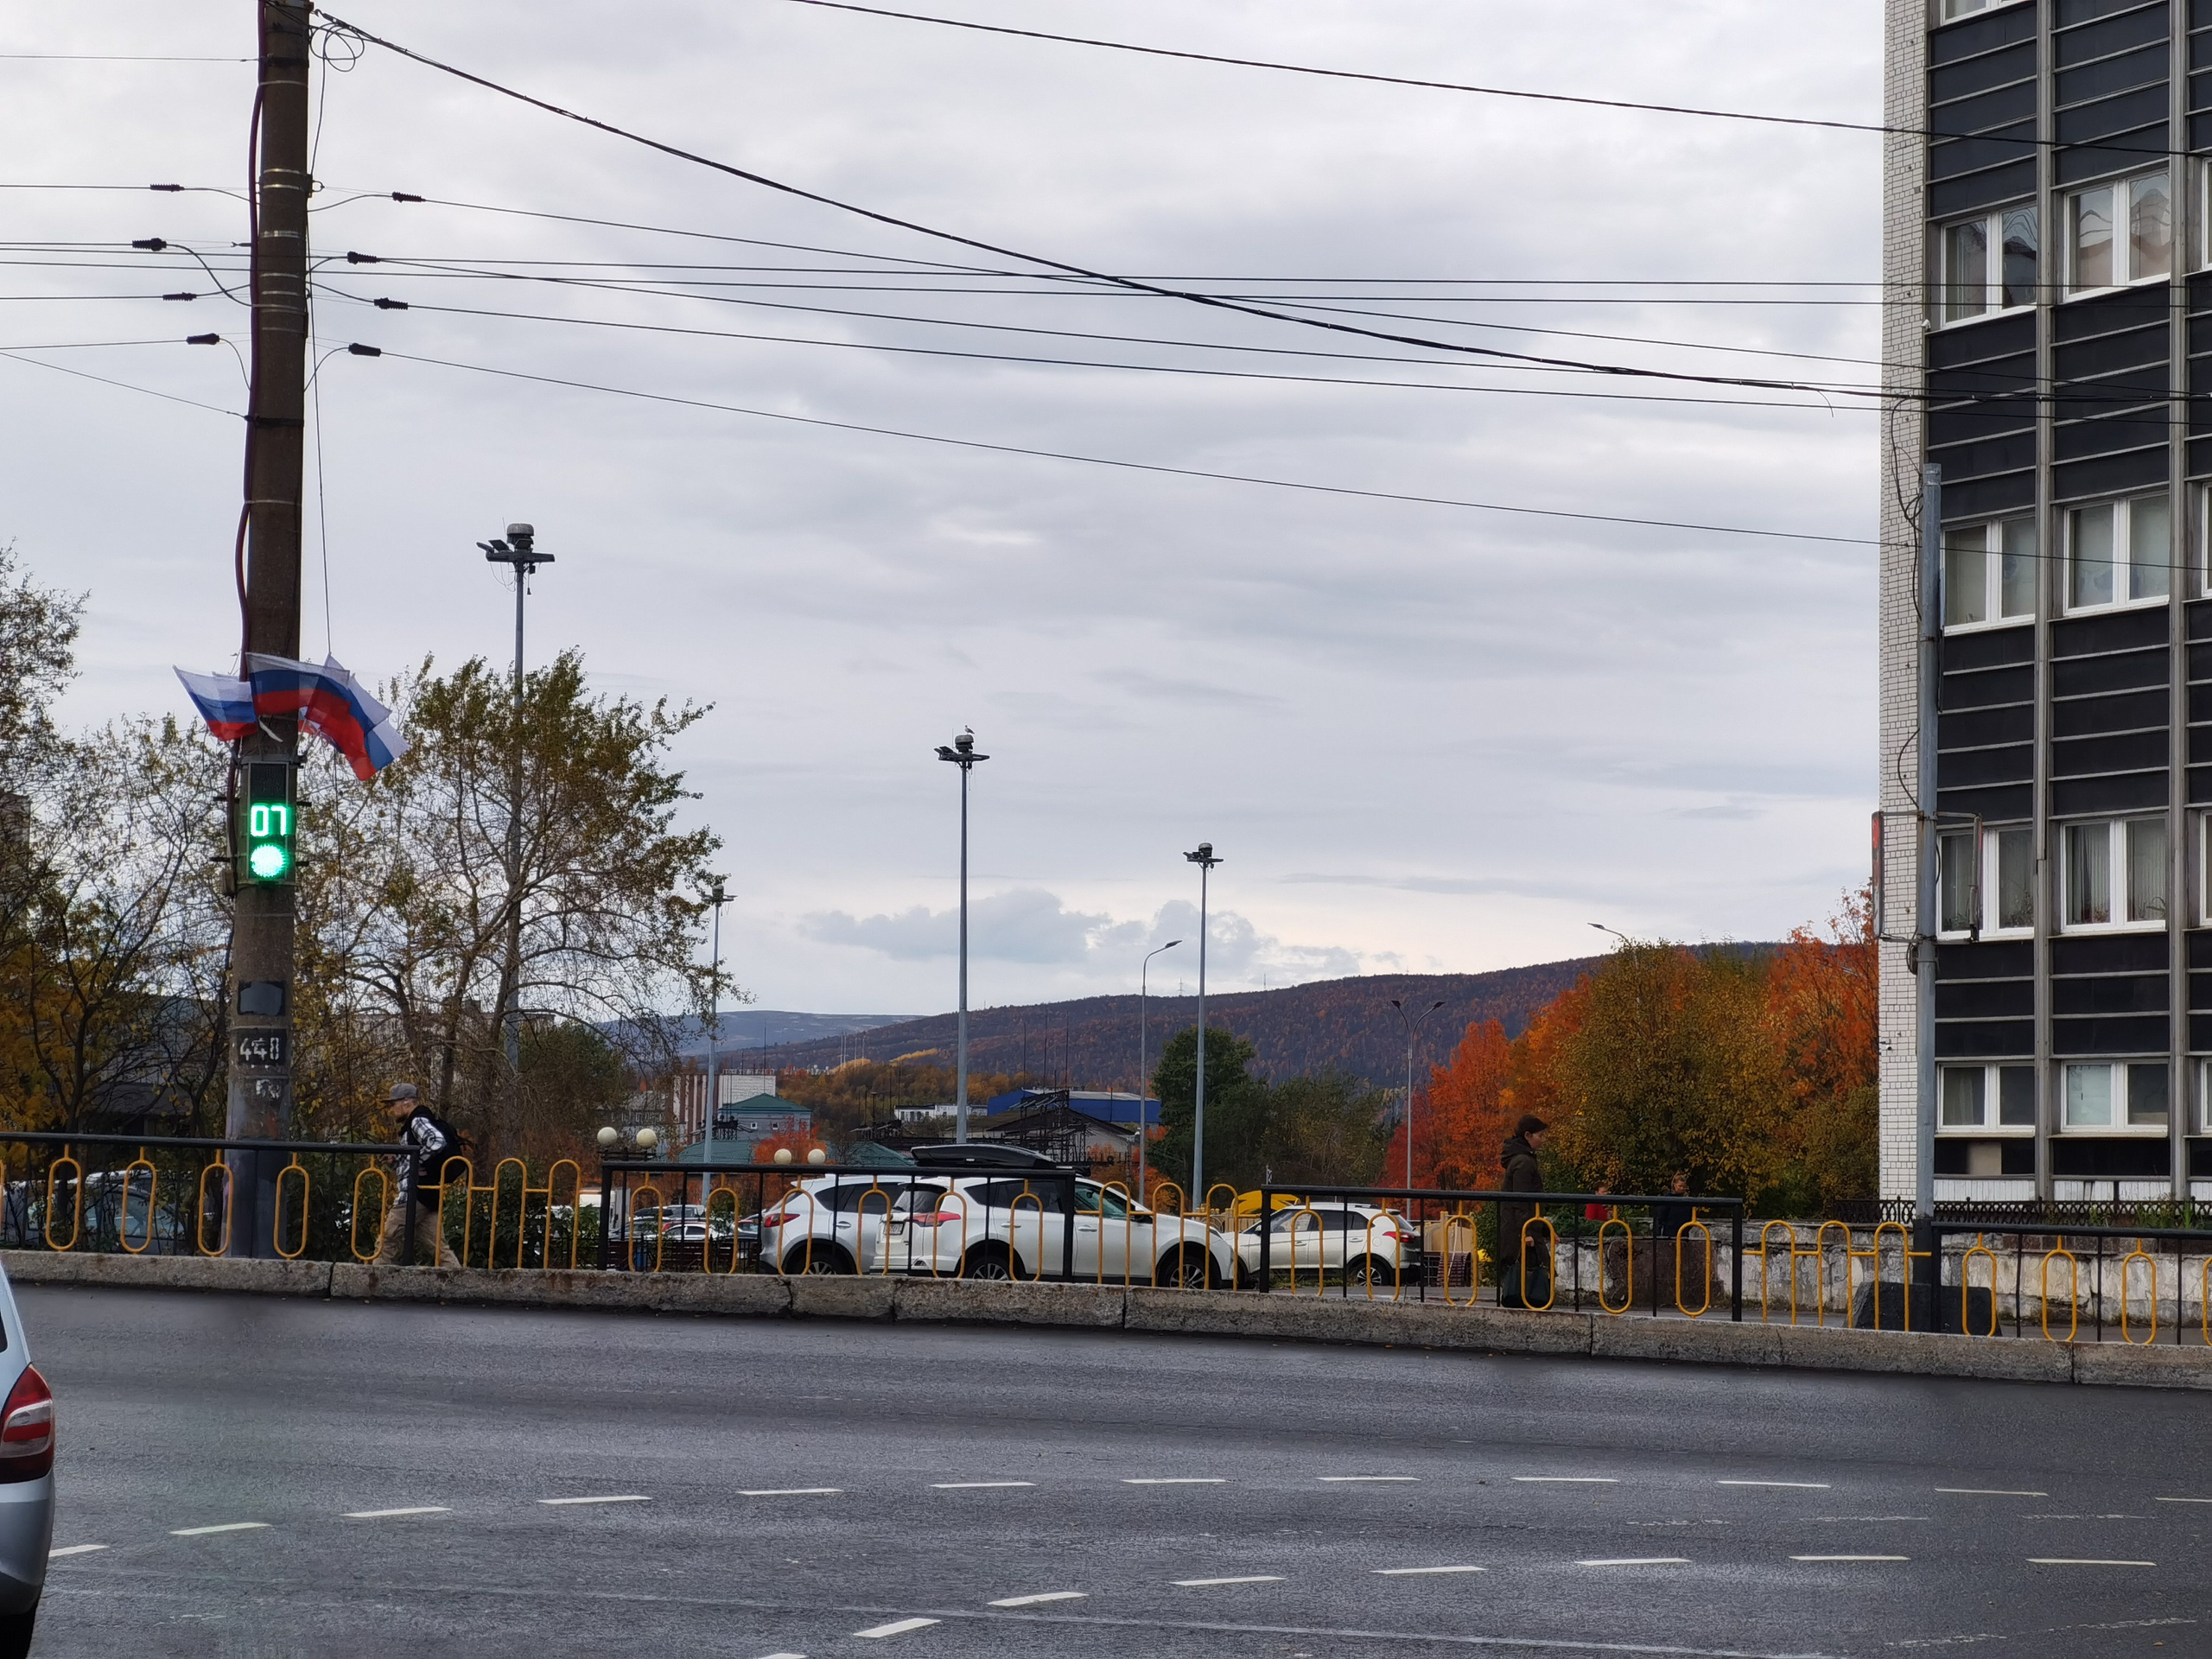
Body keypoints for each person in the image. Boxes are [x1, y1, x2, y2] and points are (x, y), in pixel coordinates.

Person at [375, 1083, 462, 1268]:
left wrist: (417, 1161)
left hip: (415, 1193)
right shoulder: (414, 1123)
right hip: (428, 1194)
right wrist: (396, 1159)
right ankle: (459, 1283)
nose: (391, 1110)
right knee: (439, 1248)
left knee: (387, 1239)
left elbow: (437, 1142)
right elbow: (415, 1156)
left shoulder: (417, 1120)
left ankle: (370, 1285)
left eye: (393, 1104)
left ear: (406, 1102)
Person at [1496, 1114, 1550, 1310]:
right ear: (1528, 1135)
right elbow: (1521, 1200)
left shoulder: (1519, 1160)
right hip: (1522, 1231)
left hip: (1521, 1228)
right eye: (1541, 1136)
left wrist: (1543, 1230)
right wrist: (1527, 1233)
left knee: (1522, 1283)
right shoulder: (1524, 1162)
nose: (1543, 1140)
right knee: (1528, 1279)